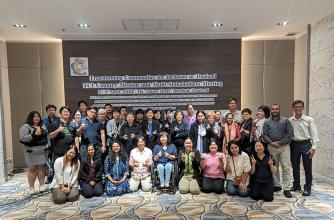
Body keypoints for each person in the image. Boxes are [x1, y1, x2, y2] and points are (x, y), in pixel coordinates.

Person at [289, 100, 319, 196]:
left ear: (303, 108)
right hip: (294, 145)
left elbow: (315, 135)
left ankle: (307, 188)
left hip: (306, 144)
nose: (298, 108)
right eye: (296, 107)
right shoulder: (290, 120)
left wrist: (313, 148)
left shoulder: (309, 120)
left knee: (307, 167)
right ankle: (296, 185)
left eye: (300, 107)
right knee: (295, 166)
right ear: (293, 108)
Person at [263, 104, 294, 198]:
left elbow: (290, 135)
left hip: (284, 147)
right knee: (273, 167)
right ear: (271, 110)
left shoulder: (286, 121)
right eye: (273, 109)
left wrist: (280, 142)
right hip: (271, 147)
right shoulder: (267, 122)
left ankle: (287, 188)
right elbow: (264, 134)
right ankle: (277, 185)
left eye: (277, 109)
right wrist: (271, 143)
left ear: (279, 110)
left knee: (286, 167)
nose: (275, 110)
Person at [19, 111, 49, 194]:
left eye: (38, 116)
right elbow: (23, 138)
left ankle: (42, 185)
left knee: (41, 169)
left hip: (42, 151)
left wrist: (48, 147)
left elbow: (47, 137)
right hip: (31, 152)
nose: (37, 118)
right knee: (32, 170)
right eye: (35, 116)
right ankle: (31, 187)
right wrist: (34, 134)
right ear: (30, 117)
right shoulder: (25, 127)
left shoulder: (42, 126)